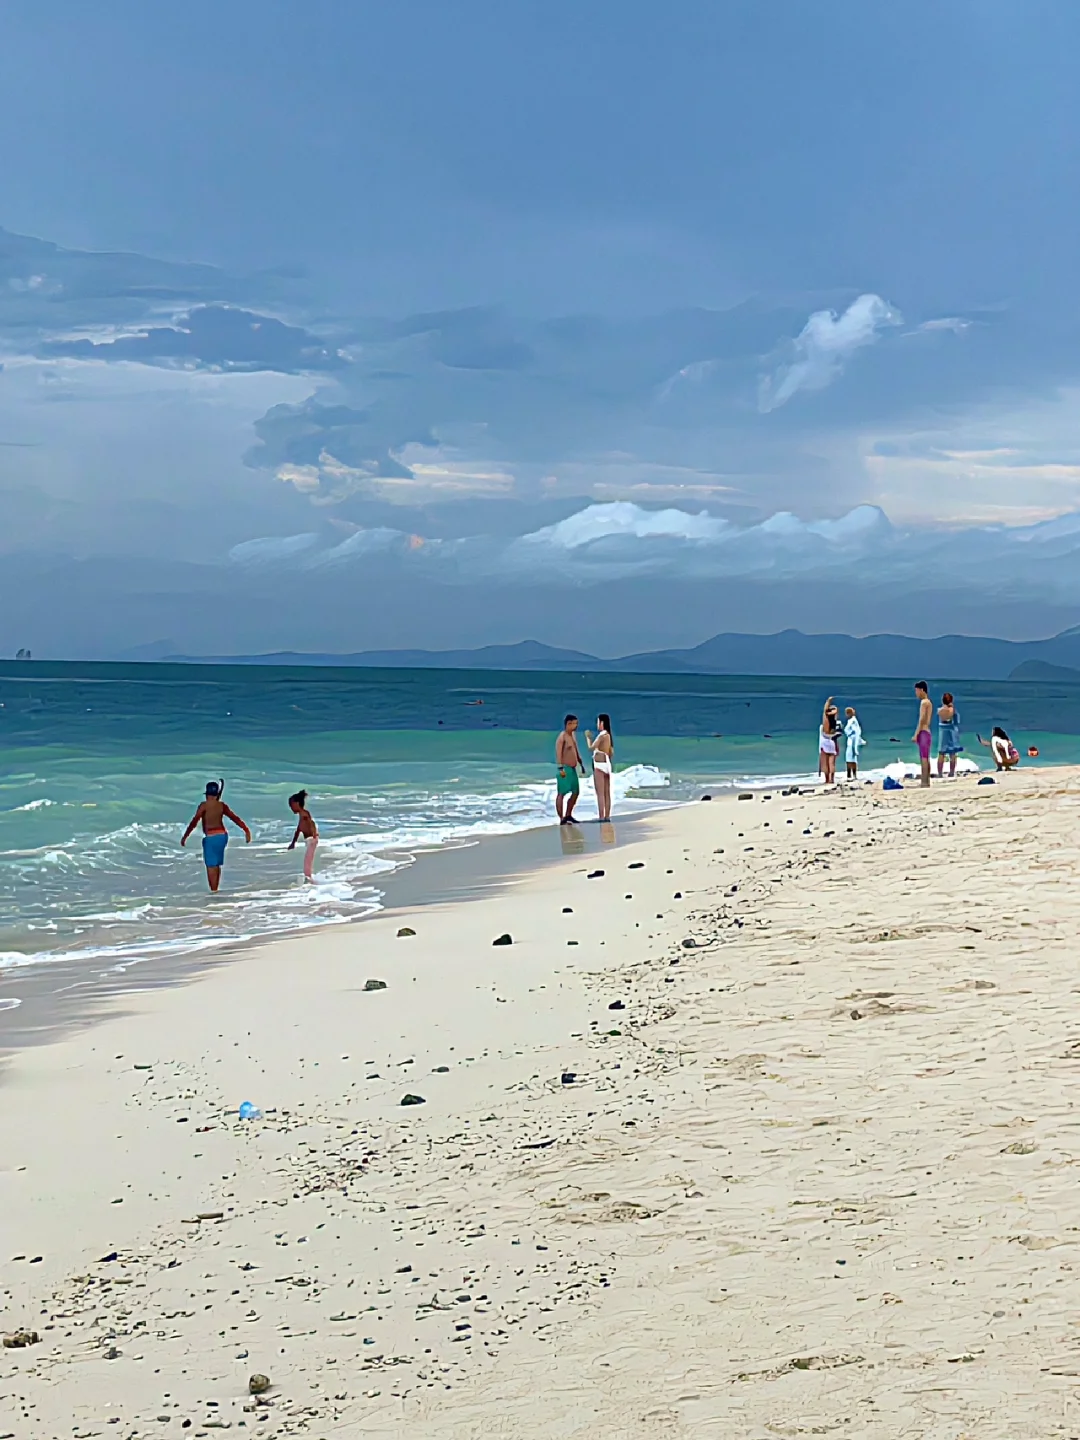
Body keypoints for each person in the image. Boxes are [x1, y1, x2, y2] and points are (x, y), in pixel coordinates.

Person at [181, 779, 251, 892]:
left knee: (211, 866)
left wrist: (185, 837)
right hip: (222, 837)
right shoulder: (222, 806)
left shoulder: (203, 806)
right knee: (216, 865)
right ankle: (216, 891)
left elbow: (194, 822)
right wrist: (246, 830)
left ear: (206, 794)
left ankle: (214, 892)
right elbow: (235, 818)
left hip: (211, 838)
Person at [555, 714, 585, 824]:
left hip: (573, 769)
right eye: (574, 723)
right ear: (568, 724)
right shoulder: (562, 737)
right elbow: (558, 753)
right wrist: (560, 768)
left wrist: (581, 763)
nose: (576, 726)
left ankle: (568, 814)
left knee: (576, 792)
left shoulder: (572, 735)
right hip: (564, 768)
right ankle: (561, 818)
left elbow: (575, 750)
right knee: (561, 793)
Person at [586, 714, 614, 822]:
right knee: (607, 792)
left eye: (598, 722)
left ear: (602, 723)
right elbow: (611, 752)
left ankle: (601, 816)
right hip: (607, 764)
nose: (597, 724)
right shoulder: (608, 735)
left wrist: (588, 738)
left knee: (600, 793)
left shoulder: (602, 735)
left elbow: (591, 747)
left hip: (599, 765)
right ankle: (607, 816)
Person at [288, 789, 319, 882]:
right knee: (307, 861)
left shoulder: (304, 814)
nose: (291, 808)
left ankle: (309, 880)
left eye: (291, 805)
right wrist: (293, 843)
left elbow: (311, 822)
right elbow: (298, 830)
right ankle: (309, 879)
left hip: (312, 839)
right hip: (310, 840)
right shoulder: (301, 815)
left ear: (297, 804)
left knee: (307, 861)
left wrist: (314, 833)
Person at [936, 692, 963, 779]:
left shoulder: (939, 710)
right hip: (951, 731)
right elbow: (956, 721)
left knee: (941, 753)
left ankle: (940, 773)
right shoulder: (952, 710)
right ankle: (951, 772)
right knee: (952, 753)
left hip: (943, 732)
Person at [913, 680, 933, 787]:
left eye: (917, 691)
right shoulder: (929, 702)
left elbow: (921, 719)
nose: (916, 693)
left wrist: (916, 734)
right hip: (927, 732)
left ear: (921, 690)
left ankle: (924, 782)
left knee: (923, 759)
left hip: (923, 732)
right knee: (926, 757)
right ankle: (926, 780)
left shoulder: (924, 702)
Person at [818, 698, 839, 785]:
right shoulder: (834, 722)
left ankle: (827, 780)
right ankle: (832, 780)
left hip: (825, 742)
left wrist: (828, 701)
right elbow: (835, 713)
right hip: (832, 742)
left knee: (825, 763)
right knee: (832, 763)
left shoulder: (826, 721)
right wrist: (835, 709)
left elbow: (824, 711)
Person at [843, 706, 864, 780]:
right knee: (853, 759)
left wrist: (849, 734)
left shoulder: (852, 721)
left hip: (851, 742)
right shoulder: (854, 721)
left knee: (849, 759)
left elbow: (848, 730)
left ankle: (849, 775)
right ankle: (854, 775)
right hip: (853, 742)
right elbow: (858, 732)